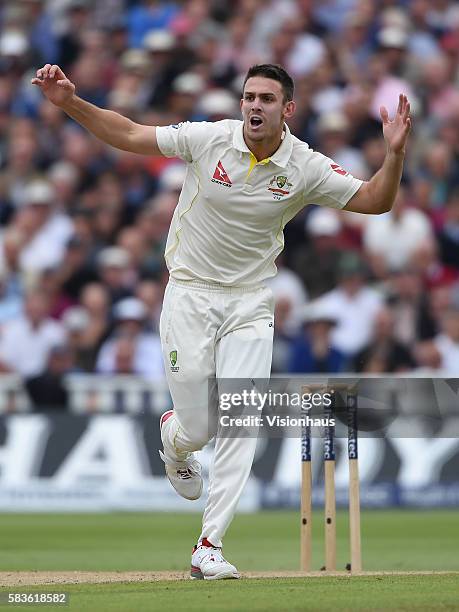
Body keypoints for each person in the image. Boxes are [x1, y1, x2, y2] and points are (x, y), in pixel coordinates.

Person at [32, 62, 411, 580]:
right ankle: (176, 438)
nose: (255, 105)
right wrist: (70, 103)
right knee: (200, 425)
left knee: (240, 419)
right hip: (189, 292)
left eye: (267, 99)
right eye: (249, 96)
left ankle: (208, 545)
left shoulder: (304, 165)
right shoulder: (209, 139)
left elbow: (375, 200)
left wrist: (395, 154)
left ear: (288, 110)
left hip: (252, 301)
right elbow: (128, 134)